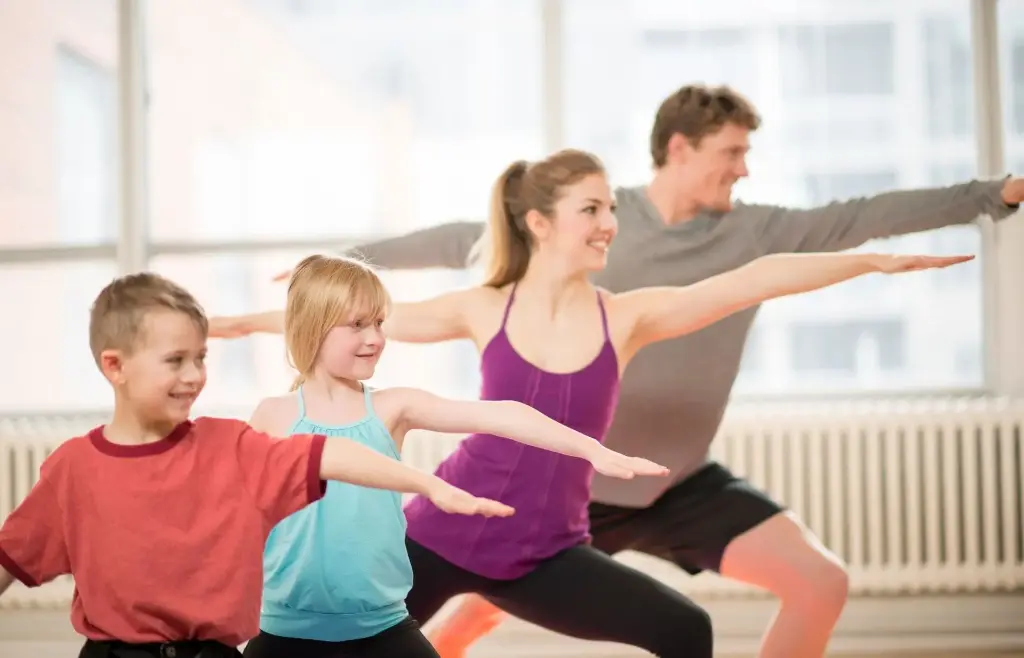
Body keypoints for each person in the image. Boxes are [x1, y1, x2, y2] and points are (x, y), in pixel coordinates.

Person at [210, 147, 972, 658]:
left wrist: (868, 262)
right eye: (593, 210)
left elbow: (754, 277)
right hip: (444, 534)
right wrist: (241, 322)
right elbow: (353, 323)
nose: (611, 223)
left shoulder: (626, 315)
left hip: (546, 551)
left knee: (684, 628)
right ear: (539, 223)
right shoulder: (484, 307)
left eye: (612, 208)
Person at [0, 272, 516, 658]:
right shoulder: (74, 468)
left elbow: (329, 454)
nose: (194, 375)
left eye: (201, 358)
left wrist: (426, 485)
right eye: (175, 361)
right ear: (114, 366)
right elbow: (12, 557)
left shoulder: (230, 443)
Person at [239, 254, 668, 658]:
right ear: (313, 326)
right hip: (285, 633)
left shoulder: (392, 407)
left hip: (383, 629)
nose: (375, 338)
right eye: (357, 325)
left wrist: (589, 449)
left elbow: (501, 414)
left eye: (379, 323)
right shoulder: (272, 416)